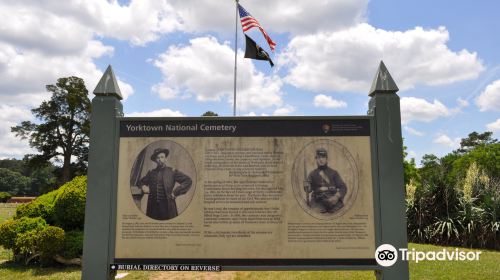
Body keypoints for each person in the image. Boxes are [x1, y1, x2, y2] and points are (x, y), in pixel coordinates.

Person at [137, 148, 192, 220]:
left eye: (162, 157)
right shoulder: (151, 173)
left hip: (168, 207)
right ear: (155, 160)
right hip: (153, 208)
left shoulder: (172, 171)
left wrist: (176, 192)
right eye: (158, 158)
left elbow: (188, 180)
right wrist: (143, 186)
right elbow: (140, 182)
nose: (160, 159)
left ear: (165, 159)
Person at [304, 148, 347, 213]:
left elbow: (343, 187)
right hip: (318, 201)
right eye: (319, 157)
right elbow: (309, 190)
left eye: (323, 157)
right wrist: (306, 186)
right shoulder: (312, 174)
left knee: (341, 212)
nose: (321, 160)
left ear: (326, 159)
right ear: (316, 159)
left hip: (333, 200)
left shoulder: (333, 173)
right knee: (314, 213)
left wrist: (336, 197)